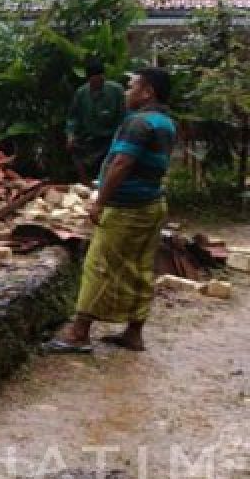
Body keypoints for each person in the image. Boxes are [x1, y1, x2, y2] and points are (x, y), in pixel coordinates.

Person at [45, 68, 176, 354]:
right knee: (140, 267)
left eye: (132, 87)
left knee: (99, 265)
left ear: (147, 92)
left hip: (126, 207)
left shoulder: (138, 123)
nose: (126, 92)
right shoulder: (165, 122)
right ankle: (134, 332)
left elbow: (121, 164)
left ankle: (79, 333)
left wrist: (100, 201)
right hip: (152, 203)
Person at [65, 58, 126, 184]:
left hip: (110, 138)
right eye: (94, 79)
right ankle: (85, 186)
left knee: (111, 163)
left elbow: (123, 117)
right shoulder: (81, 93)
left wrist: (120, 137)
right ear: (89, 79)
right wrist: (70, 135)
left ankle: (105, 187)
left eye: (101, 78)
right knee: (76, 153)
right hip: (88, 138)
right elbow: (73, 117)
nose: (98, 82)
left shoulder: (116, 91)